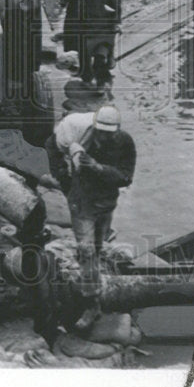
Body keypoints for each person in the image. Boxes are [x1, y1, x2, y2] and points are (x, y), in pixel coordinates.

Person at [44, 105, 136, 331]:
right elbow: (51, 145)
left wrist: (98, 168)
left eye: (108, 133)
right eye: (100, 131)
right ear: (94, 126)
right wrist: (62, 177)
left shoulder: (125, 143)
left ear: (117, 130)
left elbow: (125, 177)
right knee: (86, 251)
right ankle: (92, 303)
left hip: (105, 204)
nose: (103, 137)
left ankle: (94, 282)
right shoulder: (79, 135)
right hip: (82, 203)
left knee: (96, 247)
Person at [62, 0, 120, 86]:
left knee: (100, 49)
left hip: (99, 17)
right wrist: (65, 0)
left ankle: (102, 78)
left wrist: (116, 19)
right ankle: (86, 77)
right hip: (79, 16)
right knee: (82, 48)